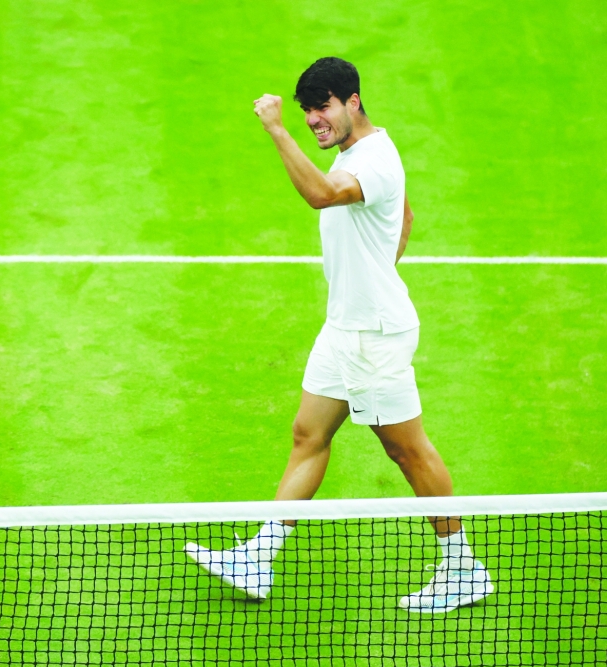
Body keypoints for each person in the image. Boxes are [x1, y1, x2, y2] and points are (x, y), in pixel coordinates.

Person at [183, 57, 493, 614]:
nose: (312, 120)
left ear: (353, 102)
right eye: (304, 112)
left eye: (322, 107)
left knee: (407, 450)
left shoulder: (372, 160)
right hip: (345, 326)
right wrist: (379, 269)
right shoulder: (359, 155)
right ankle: (259, 556)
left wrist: (276, 130)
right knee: (309, 436)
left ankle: (463, 570)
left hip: (373, 335)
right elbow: (406, 218)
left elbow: (323, 195)